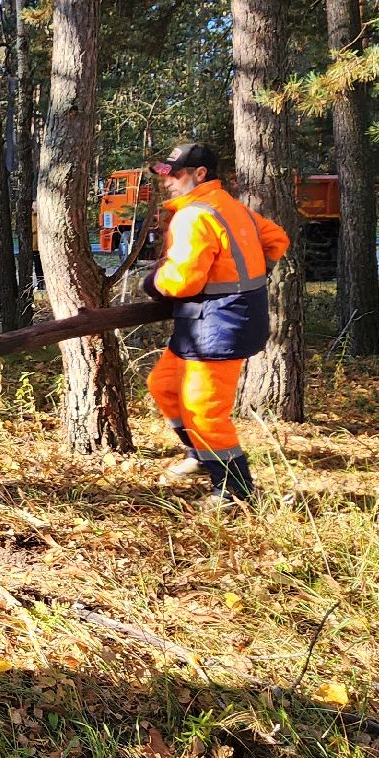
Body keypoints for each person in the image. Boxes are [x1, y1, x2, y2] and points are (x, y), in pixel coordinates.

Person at [139, 142, 289, 508]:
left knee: (203, 409)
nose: (168, 181)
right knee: (163, 386)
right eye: (166, 174)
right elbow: (276, 240)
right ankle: (201, 455)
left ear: (200, 174)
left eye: (176, 174)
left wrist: (153, 283)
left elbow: (182, 282)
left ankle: (235, 490)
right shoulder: (228, 207)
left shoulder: (196, 215)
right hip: (203, 323)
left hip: (217, 325)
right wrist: (248, 275)